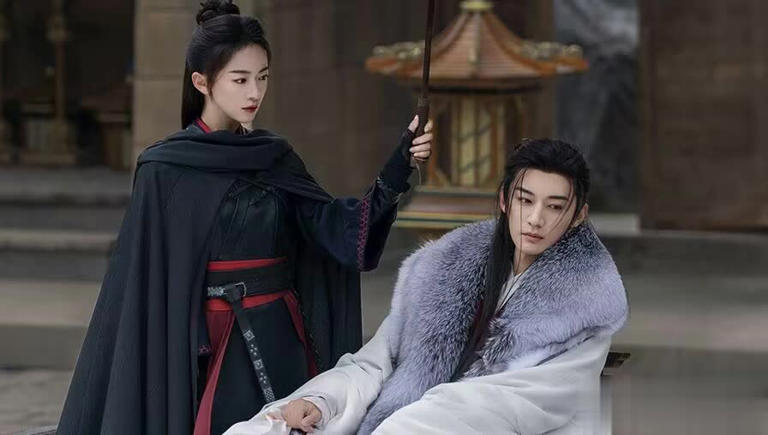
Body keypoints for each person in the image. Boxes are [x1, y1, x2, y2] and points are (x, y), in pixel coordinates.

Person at [56, 1, 432, 434]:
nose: (254, 92)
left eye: (262, 77)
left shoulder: (275, 157)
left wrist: (397, 167)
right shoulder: (165, 170)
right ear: (202, 82)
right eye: (240, 79)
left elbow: (337, 232)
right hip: (205, 344)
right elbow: (145, 285)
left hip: (281, 335)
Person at [226, 139, 628, 435]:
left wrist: (411, 421)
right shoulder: (443, 266)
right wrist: (322, 402)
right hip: (404, 421)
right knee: (267, 427)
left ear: (578, 215)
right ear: (505, 200)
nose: (536, 219)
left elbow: (517, 402)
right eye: (526, 200)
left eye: (555, 207)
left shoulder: (586, 302)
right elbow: (376, 363)